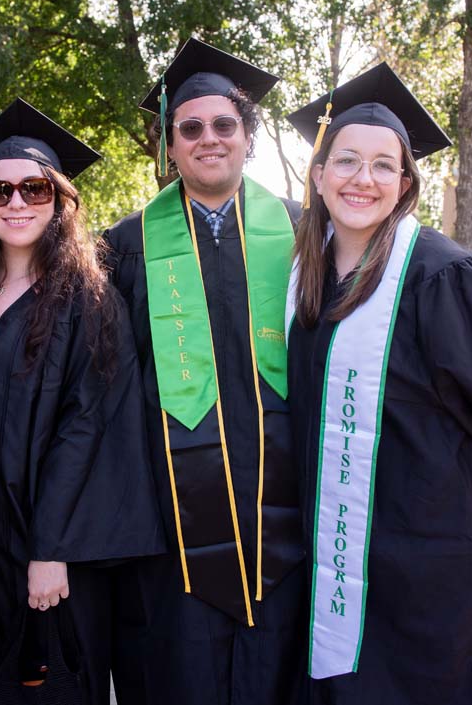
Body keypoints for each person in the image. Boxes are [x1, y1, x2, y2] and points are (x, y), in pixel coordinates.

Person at [285, 63, 472, 705]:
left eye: (386, 165)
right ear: (319, 175)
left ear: (406, 183)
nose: (364, 179)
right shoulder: (305, 281)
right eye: (347, 161)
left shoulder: (445, 274)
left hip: (437, 545)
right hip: (346, 541)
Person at [0, 98, 163, 705]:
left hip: (43, 539)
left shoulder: (89, 301)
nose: (17, 203)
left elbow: (89, 428)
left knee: (45, 678)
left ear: (60, 202)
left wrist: (51, 550)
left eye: (34, 189)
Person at [102, 38, 306, 705]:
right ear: (169, 145)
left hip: (288, 510)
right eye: (190, 128)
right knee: (179, 671)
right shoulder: (124, 247)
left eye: (224, 125)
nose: (208, 138)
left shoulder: (306, 234)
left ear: (249, 136)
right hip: (175, 519)